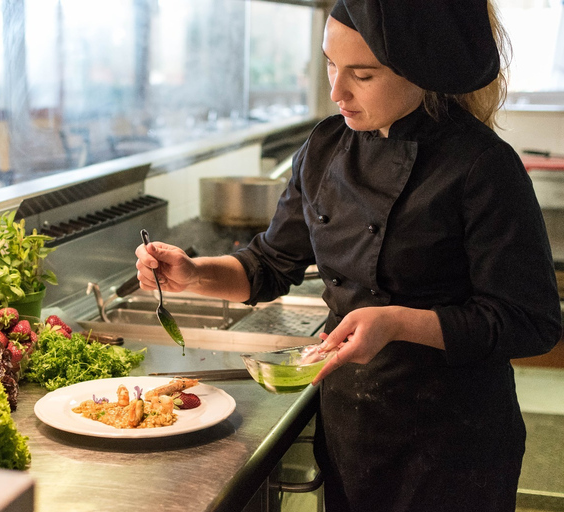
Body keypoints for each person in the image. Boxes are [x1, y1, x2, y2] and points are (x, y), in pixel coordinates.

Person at [134, 1, 562, 510]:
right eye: (331, 65)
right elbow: (269, 265)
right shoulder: (324, 149)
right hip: (353, 430)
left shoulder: (482, 166)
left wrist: (399, 323)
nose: (337, 91)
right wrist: (193, 272)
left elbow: (529, 322)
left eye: (362, 74)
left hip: (453, 442)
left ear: (419, 71)